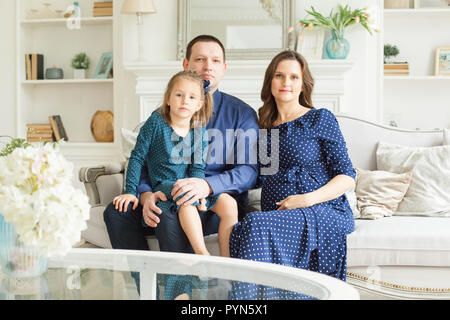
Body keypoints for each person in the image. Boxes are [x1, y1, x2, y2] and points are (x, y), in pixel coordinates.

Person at [103, 35, 259, 298]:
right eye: (199, 59)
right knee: (116, 213)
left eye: (215, 60)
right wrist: (144, 194)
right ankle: (151, 292)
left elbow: (249, 171)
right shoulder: (165, 114)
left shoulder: (241, 114)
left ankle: (184, 294)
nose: (208, 66)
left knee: (171, 216)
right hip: (165, 193)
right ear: (186, 64)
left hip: (209, 205)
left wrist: (207, 185)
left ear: (224, 68)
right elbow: (143, 160)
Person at [229, 50, 356, 300]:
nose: (286, 82)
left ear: (302, 84)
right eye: (279, 75)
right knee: (242, 229)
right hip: (278, 212)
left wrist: (306, 199)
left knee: (254, 224)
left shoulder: (319, 119)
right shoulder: (262, 125)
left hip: (323, 208)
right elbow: (254, 174)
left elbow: (347, 176)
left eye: (293, 77)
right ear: (270, 81)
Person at [112, 70, 238, 258]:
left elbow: (197, 168)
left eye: (192, 97)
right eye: (179, 95)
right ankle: (202, 253)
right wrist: (130, 191)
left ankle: (228, 262)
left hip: (188, 185)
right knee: (186, 198)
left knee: (229, 203)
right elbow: (137, 157)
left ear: (199, 105)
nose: (185, 100)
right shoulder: (156, 123)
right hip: (165, 183)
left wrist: (199, 190)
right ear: (168, 98)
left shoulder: (199, 130)